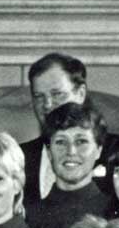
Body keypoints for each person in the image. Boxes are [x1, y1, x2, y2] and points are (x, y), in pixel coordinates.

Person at [26, 100, 112, 228]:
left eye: (81, 141)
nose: (71, 151)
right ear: (49, 152)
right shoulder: (29, 217)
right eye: (61, 142)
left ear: (98, 150)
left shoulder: (114, 212)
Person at [20, 52, 91, 207]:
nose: (47, 104)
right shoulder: (18, 157)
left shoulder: (112, 151)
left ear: (80, 94)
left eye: (57, 94)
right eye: (39, 96)